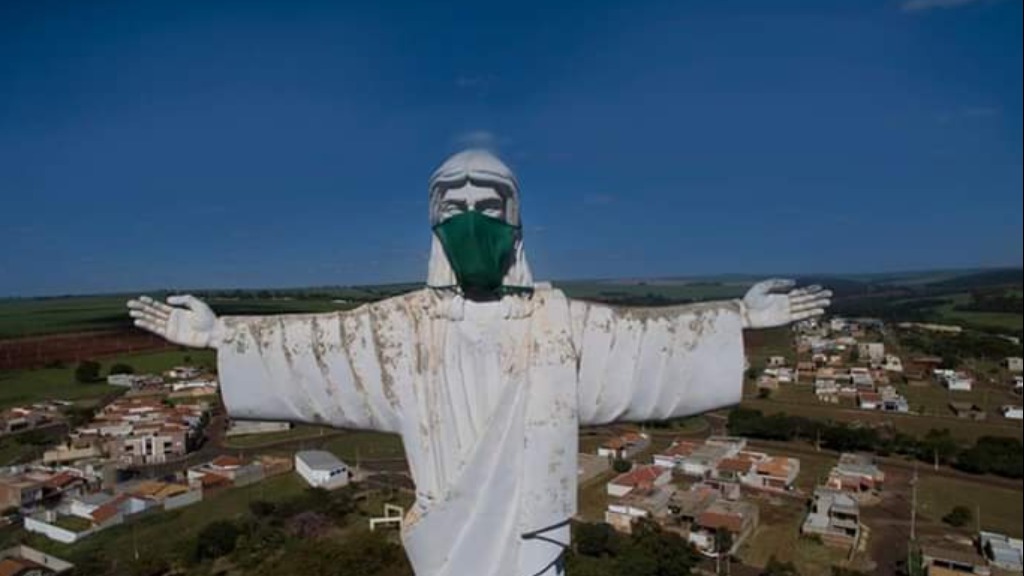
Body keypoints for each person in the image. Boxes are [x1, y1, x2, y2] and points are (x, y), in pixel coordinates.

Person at [128, 149, 830, 576]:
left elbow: (646, 350)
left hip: (531, 544)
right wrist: (222, 337)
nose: (470, 220)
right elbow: (316, 353)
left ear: (517, 224)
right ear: (433, 227)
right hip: (446, 543)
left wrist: (738, 318)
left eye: (486, 206)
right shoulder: (399, 330)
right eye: (453, 207)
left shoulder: (559, 322)